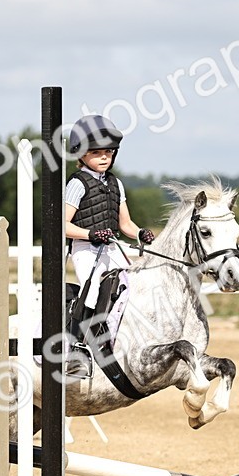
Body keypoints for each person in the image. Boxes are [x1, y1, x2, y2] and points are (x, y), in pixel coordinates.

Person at [62, 114, 154, 375]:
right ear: (81, 155)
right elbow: (62, 225)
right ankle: (77, 349)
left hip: (111, 246)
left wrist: (141, 234)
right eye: (96, 153)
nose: (104, 157)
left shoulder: (116, 183)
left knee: (131, 284)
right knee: (92, 291)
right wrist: (90, 234)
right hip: (86, 249)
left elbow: (125, 224)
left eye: (108, 152)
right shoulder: (76, 184)